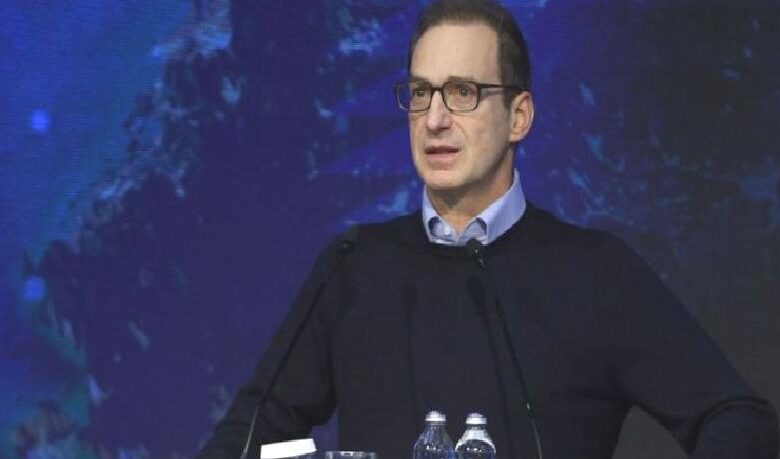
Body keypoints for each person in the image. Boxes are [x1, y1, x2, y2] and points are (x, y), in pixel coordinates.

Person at [197, 1, 778, 458]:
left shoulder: (595, 272)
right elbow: (247, 437)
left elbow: (738, 420)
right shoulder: (352, 266)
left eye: (463, 93)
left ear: (518, 116)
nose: (435, 119)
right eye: (420, 93)